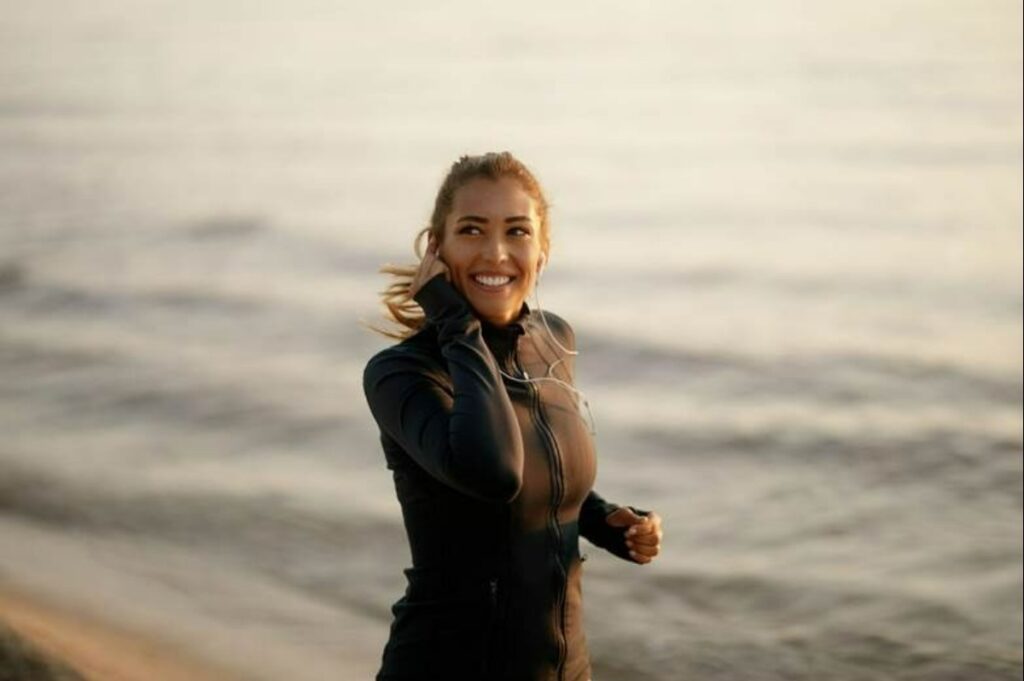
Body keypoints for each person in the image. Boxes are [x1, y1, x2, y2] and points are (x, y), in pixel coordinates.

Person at [362, 151, 663, 681]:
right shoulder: (403, 374)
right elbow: (493, 472)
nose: (496, 252)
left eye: (517, 232)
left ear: (542, 251)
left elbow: (537, 468)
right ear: (437, 248)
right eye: (472, 230)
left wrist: (604, 519)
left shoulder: (554, 340)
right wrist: (454, 321)